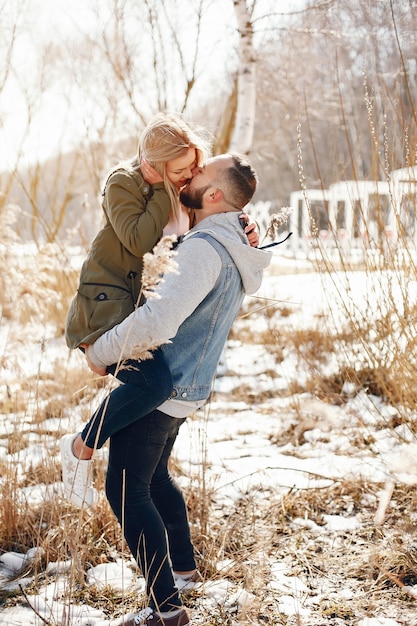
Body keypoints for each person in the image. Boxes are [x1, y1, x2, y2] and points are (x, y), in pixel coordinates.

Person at [83, 154, 272, 626]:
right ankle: (184, 571)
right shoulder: (228, 243)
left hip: (162, 385)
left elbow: (158, 320)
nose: (190, 175)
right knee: (155, 477)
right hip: (187, 384)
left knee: (125, 489)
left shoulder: (205, 248)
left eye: (200, 174)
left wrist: (100, 352)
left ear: (212, 196)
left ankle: (166, 609)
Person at [60, 115, 259, 508]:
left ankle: (181, 568)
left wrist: (246, 228)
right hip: (105, 304)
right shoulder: (125, 183)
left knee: (152, 466)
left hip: (132, 304)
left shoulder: (178, 195)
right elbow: (138, 238)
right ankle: (80, 447)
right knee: (154, 386)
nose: (190, 177)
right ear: (156, 164)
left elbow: (209, 224)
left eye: (194, 170)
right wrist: (164, 190)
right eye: (182, 170)